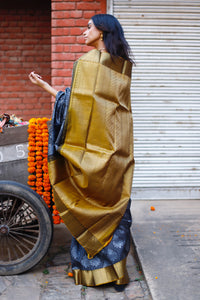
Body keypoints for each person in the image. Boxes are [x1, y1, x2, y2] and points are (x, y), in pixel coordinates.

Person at [29, 14, 134, 292]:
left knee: (87, 206)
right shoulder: (122, 66)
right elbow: (115, 112)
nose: (84, 30)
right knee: (116, 211)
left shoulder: (87, 64)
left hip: (89, 154)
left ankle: (90, 275)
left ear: (102, 32)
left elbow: (72, 108)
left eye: (89, 26)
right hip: (117, 152)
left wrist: (47, 89)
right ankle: (117, 275)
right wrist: (45, 87)